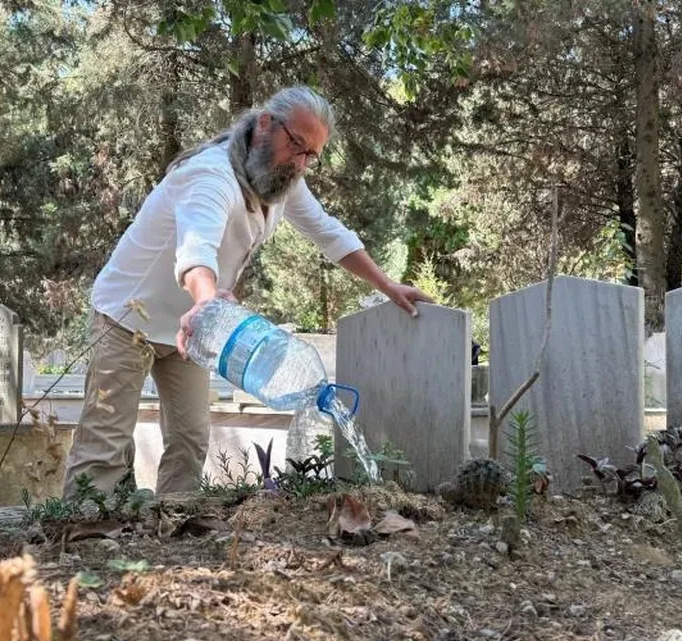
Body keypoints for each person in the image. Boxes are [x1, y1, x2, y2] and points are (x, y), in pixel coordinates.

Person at [62, 86, 433, 497]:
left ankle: (171, 531)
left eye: (312, 155)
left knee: (190, 437)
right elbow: (196, 247)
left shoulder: (283, 181)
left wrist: (386, 285)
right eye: (296, 145)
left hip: (191, 328)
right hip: (128, 317)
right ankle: (84, 534)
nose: (301, 163)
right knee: (106, 441)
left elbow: (327, 231)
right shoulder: (209, 174)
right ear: (264, 124)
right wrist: (205, 300)